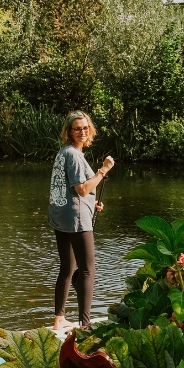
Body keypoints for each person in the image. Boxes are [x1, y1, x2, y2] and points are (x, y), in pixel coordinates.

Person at [48, 110, 114, 332]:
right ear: (69, 131)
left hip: (62, 217)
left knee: (67, 269)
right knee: (87, 270)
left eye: (85, 128)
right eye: (77, 128)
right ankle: (85, 325)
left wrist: (91, 205)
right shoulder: (75, 155)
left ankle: (59, 319)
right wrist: (103, 170)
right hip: (76, 220)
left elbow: (73, 192)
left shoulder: (63, 153)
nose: (82, 132)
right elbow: (82, 189)